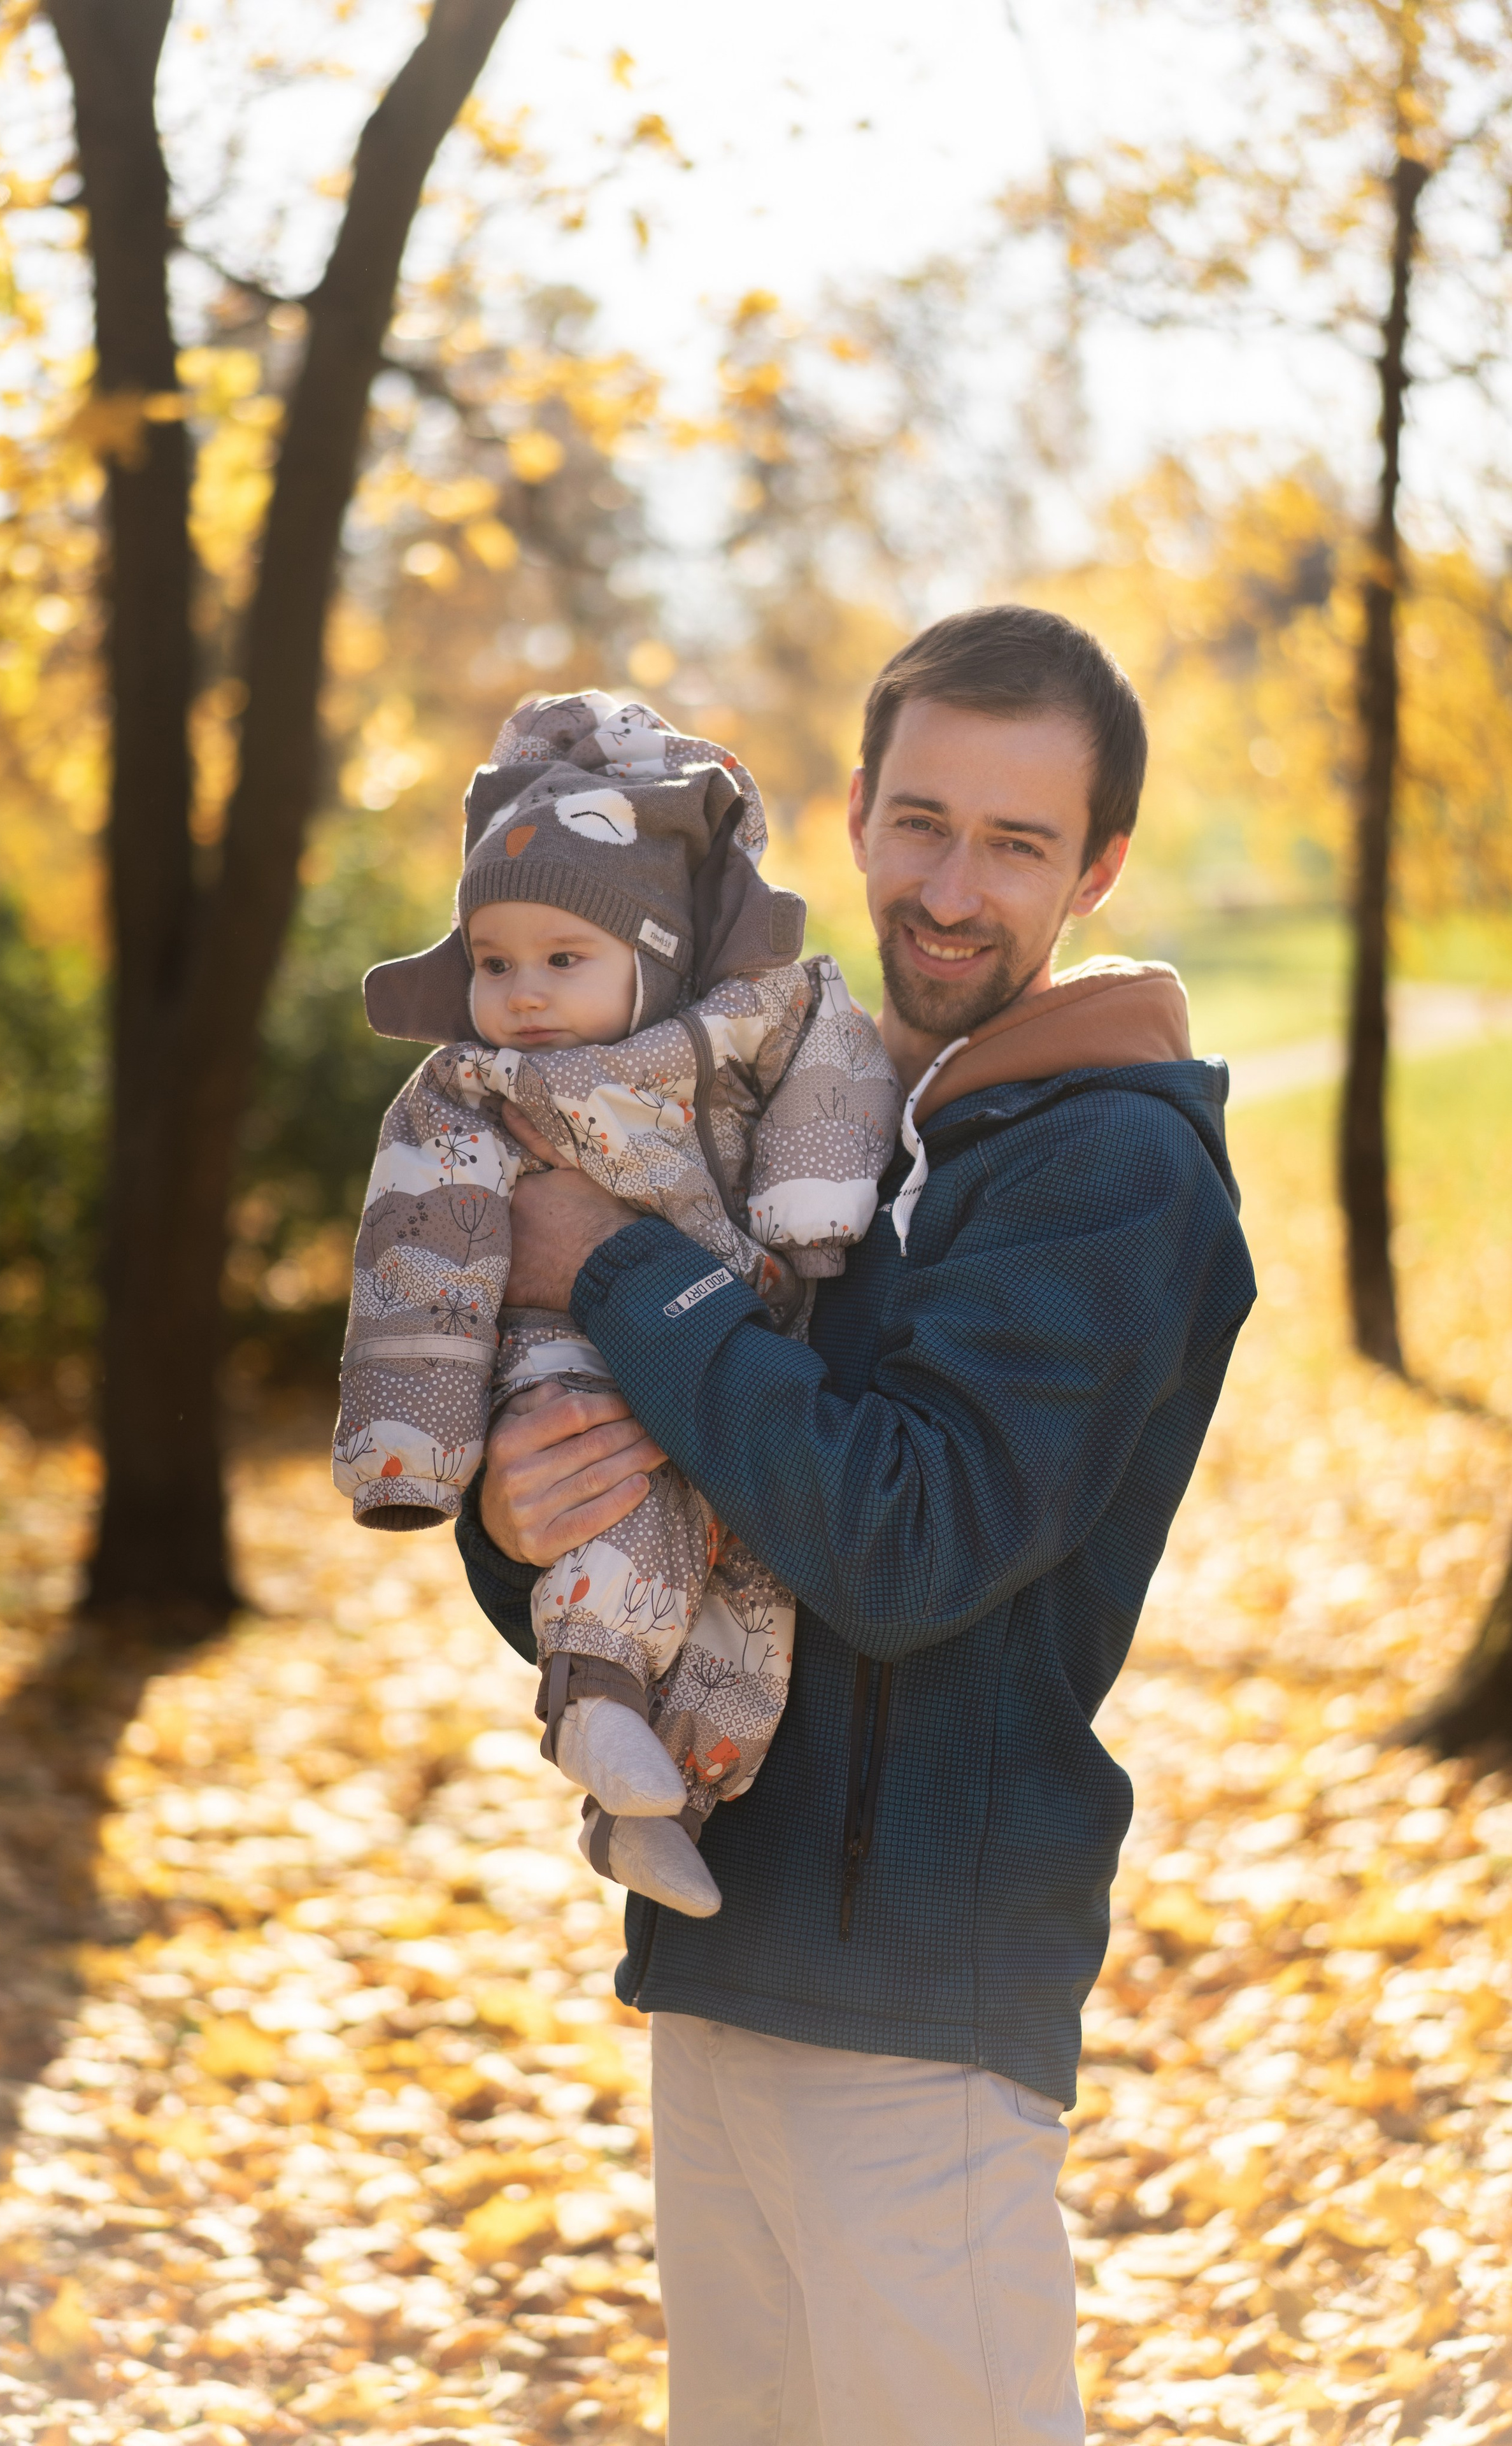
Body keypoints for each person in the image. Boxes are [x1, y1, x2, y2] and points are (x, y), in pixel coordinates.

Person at [456, 606, 1257, 2445]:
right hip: (727, 1948)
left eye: (1016, 842)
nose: (953, 886)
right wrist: (517, 1521)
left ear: (1100, 868)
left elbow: (902, 1542)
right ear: (855, 814)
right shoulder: (796, 1115)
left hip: (921, 1996)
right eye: (922, 822)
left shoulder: (1108, 1168)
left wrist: (630, 1268)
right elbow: (667, 1488)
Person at [333, 690, 899, 1919]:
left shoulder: (753, 1015)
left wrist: (812, 1196)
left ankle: (663, 1806)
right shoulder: (472, 1092)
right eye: (493, 964)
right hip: (574, 1365)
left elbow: (837, 1065)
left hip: (743, 1362)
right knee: (620, 1514)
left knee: (751, 1602)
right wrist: (416, 1454)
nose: (524, 996)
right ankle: (595, 1708)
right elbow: (417, 1266)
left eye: (563, 961)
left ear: (654, 958)